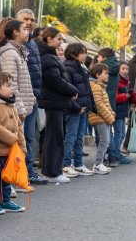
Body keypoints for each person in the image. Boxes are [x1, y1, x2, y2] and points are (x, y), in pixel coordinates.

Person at [36, 27, 78, 183]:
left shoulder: (49, 56)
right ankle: (53, 172)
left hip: (54, 101)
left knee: (53, 137)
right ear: (49, 39)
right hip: (53, 101)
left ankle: (51, 170)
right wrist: (72, 90)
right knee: (55, 138)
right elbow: (55, 80)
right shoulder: (48, 57)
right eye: (59, 39)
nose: (61, 42)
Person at [0, 71, 27, 214]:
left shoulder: (10, 105)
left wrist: (22, 146)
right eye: (8, 85)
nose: (11, 88)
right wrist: (12, 139)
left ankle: (5, 201)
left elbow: (19, 127)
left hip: (10, 150)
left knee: (6, 178)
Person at [16, 9, 48, 185]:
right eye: (25, 19)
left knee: (29, 137)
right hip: (21, 97)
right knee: (22, 137)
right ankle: (21, 174)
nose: (29, 22)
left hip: (33, 96)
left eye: (32, 19)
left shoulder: (32, 42)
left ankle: (28, 172)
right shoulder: (15, 42)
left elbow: (36, 71)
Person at [0, 19, 35, 121]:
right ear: (16, 32)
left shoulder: (18, 52)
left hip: (20, 108)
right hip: (16, 110)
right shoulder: (10, 54)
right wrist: (19, 109)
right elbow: (11, 84)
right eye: (24, 29)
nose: (28, 32)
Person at [62, 43, 94, 177]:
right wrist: (77, 107)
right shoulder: (67, 68)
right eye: (83, 53)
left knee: (79, 137)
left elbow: (87, 89)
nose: (85, 55)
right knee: (71, 137)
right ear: (75, 54)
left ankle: (79, 164)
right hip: (74, 109)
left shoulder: (83, 68)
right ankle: (65, 164)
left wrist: (90, 107)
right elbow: (68, 91)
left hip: (83, 108)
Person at [97, 47, 122, 167]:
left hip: (100, 101)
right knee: (109, 131)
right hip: (111, 102)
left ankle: (104, 157)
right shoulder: (116, 67)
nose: (98, 58)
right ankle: (112, 157)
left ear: (104, 57)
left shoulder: (102, 69)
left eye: (99, 56)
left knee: (101, 132)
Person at [88, 63, 114, 175]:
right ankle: (98, 164)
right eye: (106, 73)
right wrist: (109, 116)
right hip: (100, 118)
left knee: (105, 141)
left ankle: (100, 163)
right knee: (104, 141)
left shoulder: (99, 86)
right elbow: (98, 104)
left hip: (103, 117)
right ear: (98, 74)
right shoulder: (96, 86)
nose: (108, 75)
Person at [113, 61, 131, 163]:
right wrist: (126, 96)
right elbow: (115, 97)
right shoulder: (117, 81)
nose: (125, 71)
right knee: (119, 134)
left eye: (127, 69)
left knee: (122, 134)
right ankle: (116, 154)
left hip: (123, 110)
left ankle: (117, 152)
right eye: (123, 68)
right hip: (117, 111)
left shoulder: (126, 81)